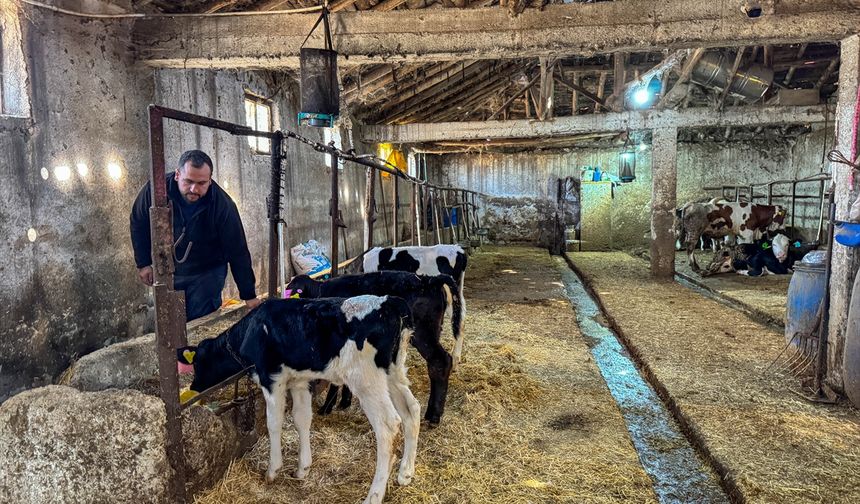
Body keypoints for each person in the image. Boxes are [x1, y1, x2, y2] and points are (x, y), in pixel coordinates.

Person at [130, 149, 261, 321]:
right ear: (177, 175)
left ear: (210, 180)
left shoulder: (222, 204)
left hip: (207, 272)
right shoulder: (156, 190)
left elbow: (237, 249)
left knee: (201, 323)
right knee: (171, 323)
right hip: (169, 270)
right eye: (188, 181)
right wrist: (143, 263)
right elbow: (138, 222)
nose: (194, 189)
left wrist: (248, 294)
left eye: (201, 183)